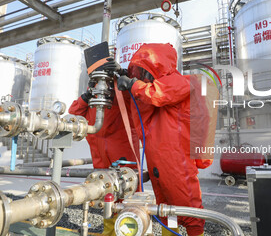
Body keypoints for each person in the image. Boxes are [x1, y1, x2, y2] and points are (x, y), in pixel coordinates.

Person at [117, 43, 205, 236]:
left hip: (176, 157)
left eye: (143, 70)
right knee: (165, 206)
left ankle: (195, 233)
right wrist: (128, 79)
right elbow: (142, 104)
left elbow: (158, 94)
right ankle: (170, 233)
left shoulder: (179, 81)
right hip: (159, 158)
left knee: (188, 206)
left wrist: (133, 84)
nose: (142, 75)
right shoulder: (148, 88)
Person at [69, 64, 140, 235]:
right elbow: (74, 111)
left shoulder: (122, 97)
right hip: (100, 158)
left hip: (123, 156)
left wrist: (124, 75)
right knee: (106, 198)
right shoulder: (92, 101)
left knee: (127, 199)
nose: (101, 85)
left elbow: (138, 97)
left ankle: (128, 230)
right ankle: (109, 231)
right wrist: (86, 96)